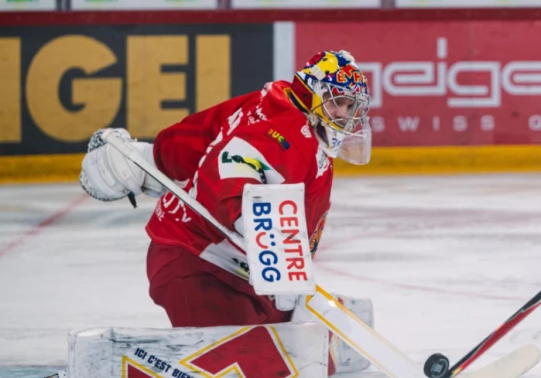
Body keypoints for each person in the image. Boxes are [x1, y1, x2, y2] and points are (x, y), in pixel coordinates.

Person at [78, 50, 373, 374]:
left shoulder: (270, 101)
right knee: (252, 365)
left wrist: (155, 158)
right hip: (195, 260)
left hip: (237, 270)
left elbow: (199, 135)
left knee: (298, 351)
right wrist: (278, 254)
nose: (343, 113)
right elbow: (238, 163)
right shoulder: (292, 131)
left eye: (349, 105)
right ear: (311, 90)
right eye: (336, 101)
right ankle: (124, 367)